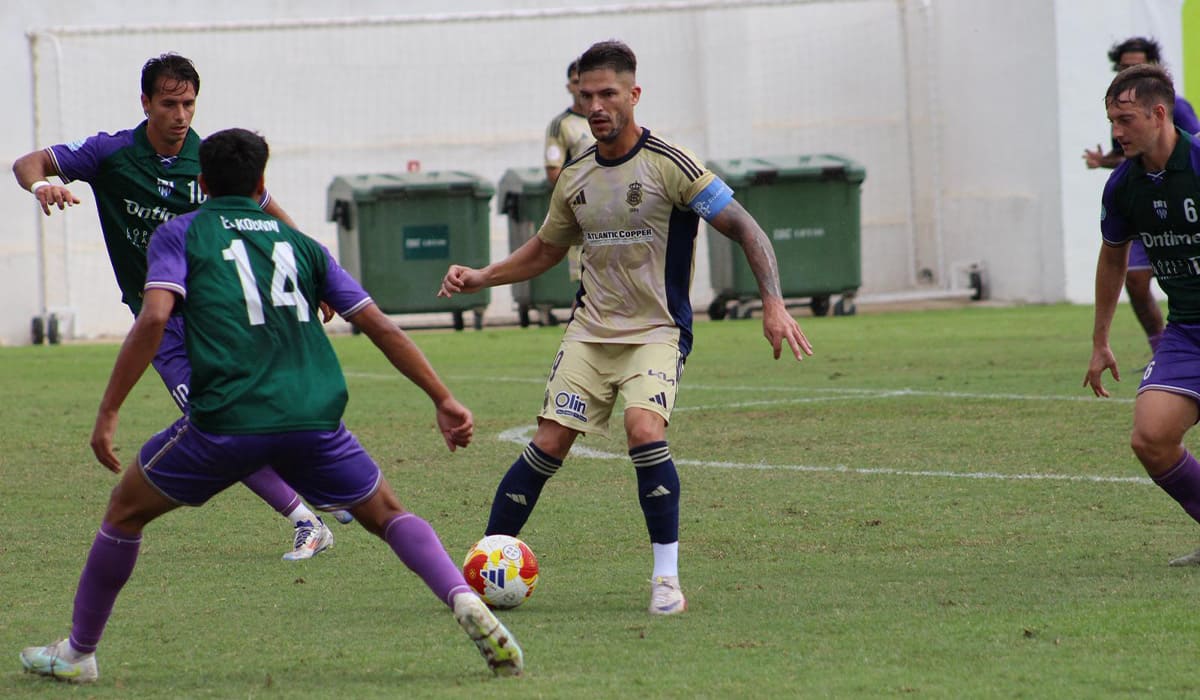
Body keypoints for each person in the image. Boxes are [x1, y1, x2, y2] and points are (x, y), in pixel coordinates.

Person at [19, 128, 524, 684]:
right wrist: (443, 398)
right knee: (388, 513)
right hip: (314, 418)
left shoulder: (179, 233)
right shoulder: (304, 246)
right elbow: (378, 324)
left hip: (225, 421)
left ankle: (78, 654)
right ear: (262, 181)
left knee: (124, 511)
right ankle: (460, 594)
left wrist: (109, 410)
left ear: (202, 183)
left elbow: (156, 317)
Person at [439, 40, 812, 615]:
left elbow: (746, 228)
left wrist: (773, 302)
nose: (596, 105)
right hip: (590, 333)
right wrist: (484, 276)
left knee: (644, 429)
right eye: (586, 95)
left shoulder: (672, 164)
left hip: (656, 332)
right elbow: (545, 248)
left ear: (633, 95)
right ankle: (485, 568)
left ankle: (666, 578)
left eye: (608, 93)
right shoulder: (576, 175)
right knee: (548, 442)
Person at [11, 53, 349, 560]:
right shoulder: (111, 153)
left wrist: (316, 274)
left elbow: (266, 209)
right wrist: (43, 184)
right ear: (145, 103)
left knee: (226, 417)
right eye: (169, 104)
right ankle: (315, 502)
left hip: (220, 310)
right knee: (220, 417)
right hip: (160, 318)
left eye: (189, 104)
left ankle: (310, 510)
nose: (181, 115)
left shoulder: (207, 161)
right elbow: (27, 162)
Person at [1084, 63, 1200, 567]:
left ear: (1159, 113)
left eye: (1124, 119)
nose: (1115, 131)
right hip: (1187, 332)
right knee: (1150, 438)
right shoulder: (1122, 185)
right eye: (1111, 119)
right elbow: (1113, 256)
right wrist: (1100, 340)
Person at [1082, 37, 1200, 355]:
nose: (1118, 130)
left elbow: (1184, 143)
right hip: (1151, 212)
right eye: (1124, 67)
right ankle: (1163, 348)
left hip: (1184, 208)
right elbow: (1127, 155)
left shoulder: (1174, 108)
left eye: (1137, 65)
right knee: (1134, 280)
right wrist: (1102, 161)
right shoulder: (1122, 116)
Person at [544, 58, 593, 284]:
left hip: (615, 205)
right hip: (586, 210)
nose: (581, 87)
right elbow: (554, 172)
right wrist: (581, 199)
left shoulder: (607, 118)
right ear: (570, 87)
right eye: (576, 82)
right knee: (587, 280)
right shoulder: (562, 125)